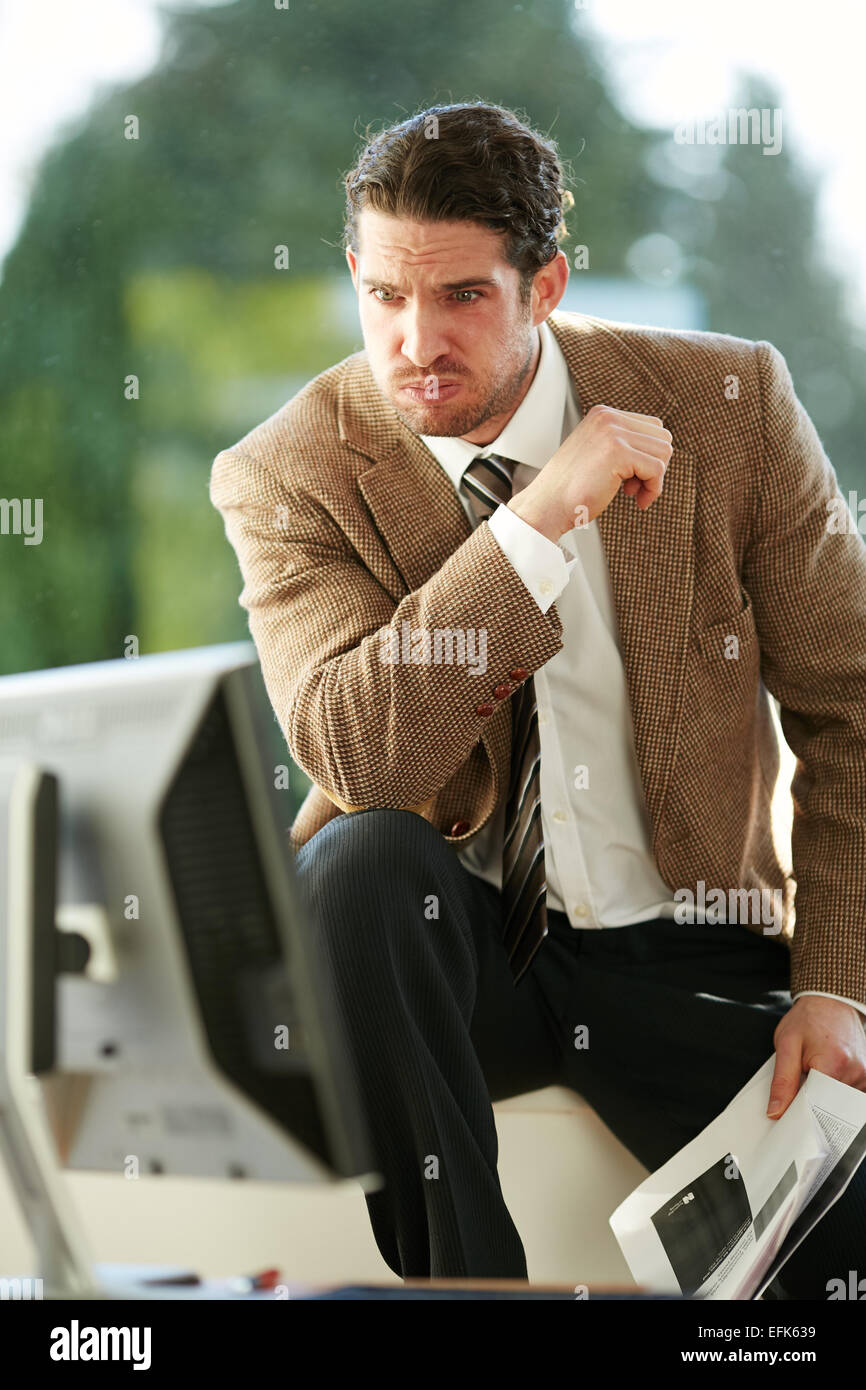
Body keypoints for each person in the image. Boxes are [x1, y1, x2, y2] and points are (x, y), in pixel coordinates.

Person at [209, 101, 866, 1295]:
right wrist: (535, 517)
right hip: (445, 966)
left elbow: (852, 704)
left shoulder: (729, 407)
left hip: (683, 943)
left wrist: (833, 983)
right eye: (384, 296)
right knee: (360, 855)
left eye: (459, 296)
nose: (414, 340)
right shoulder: (287, 471)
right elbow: (365, 757)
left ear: (545, 284)